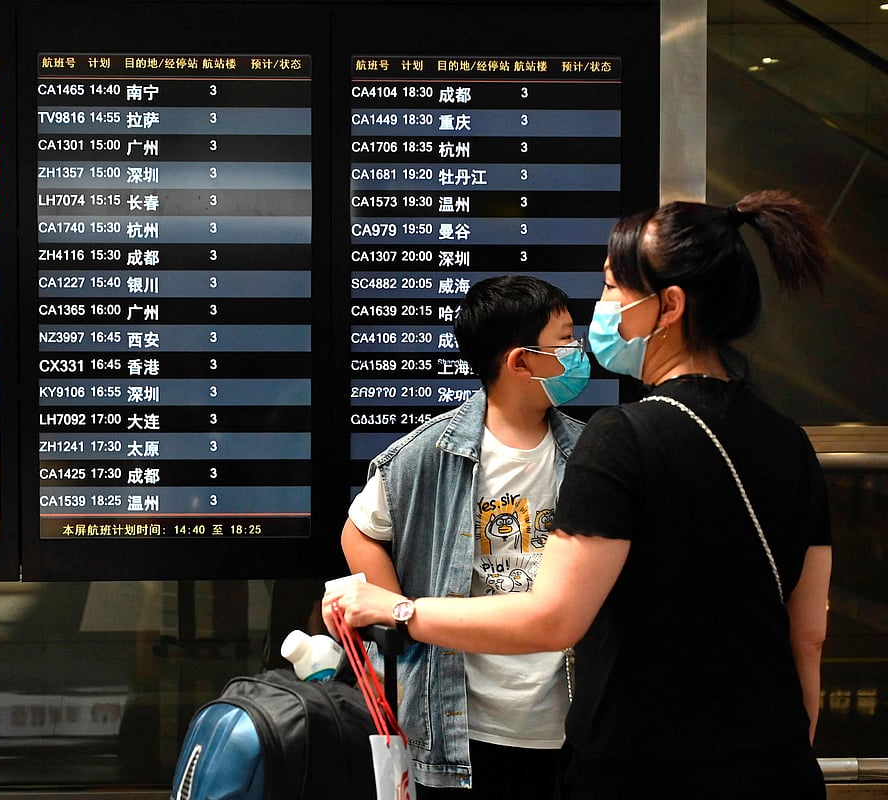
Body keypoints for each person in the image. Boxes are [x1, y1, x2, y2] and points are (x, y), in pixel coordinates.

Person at [325, 190, 833, 800]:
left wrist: (400, 611)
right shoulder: (791, 444)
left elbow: (554, 616)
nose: (603, 310)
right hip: (773, 767)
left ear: (668, 306)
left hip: (644, 766)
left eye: (616, 288)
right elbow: (808, 634)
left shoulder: (621, 438)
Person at [342, 275, 589, 797]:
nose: (578, 351)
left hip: (567, 719)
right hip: (461, 727)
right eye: (565, 339)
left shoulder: (591, 453)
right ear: (520, 362)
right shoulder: (427, 454)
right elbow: (359, 532)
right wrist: (401, 618)